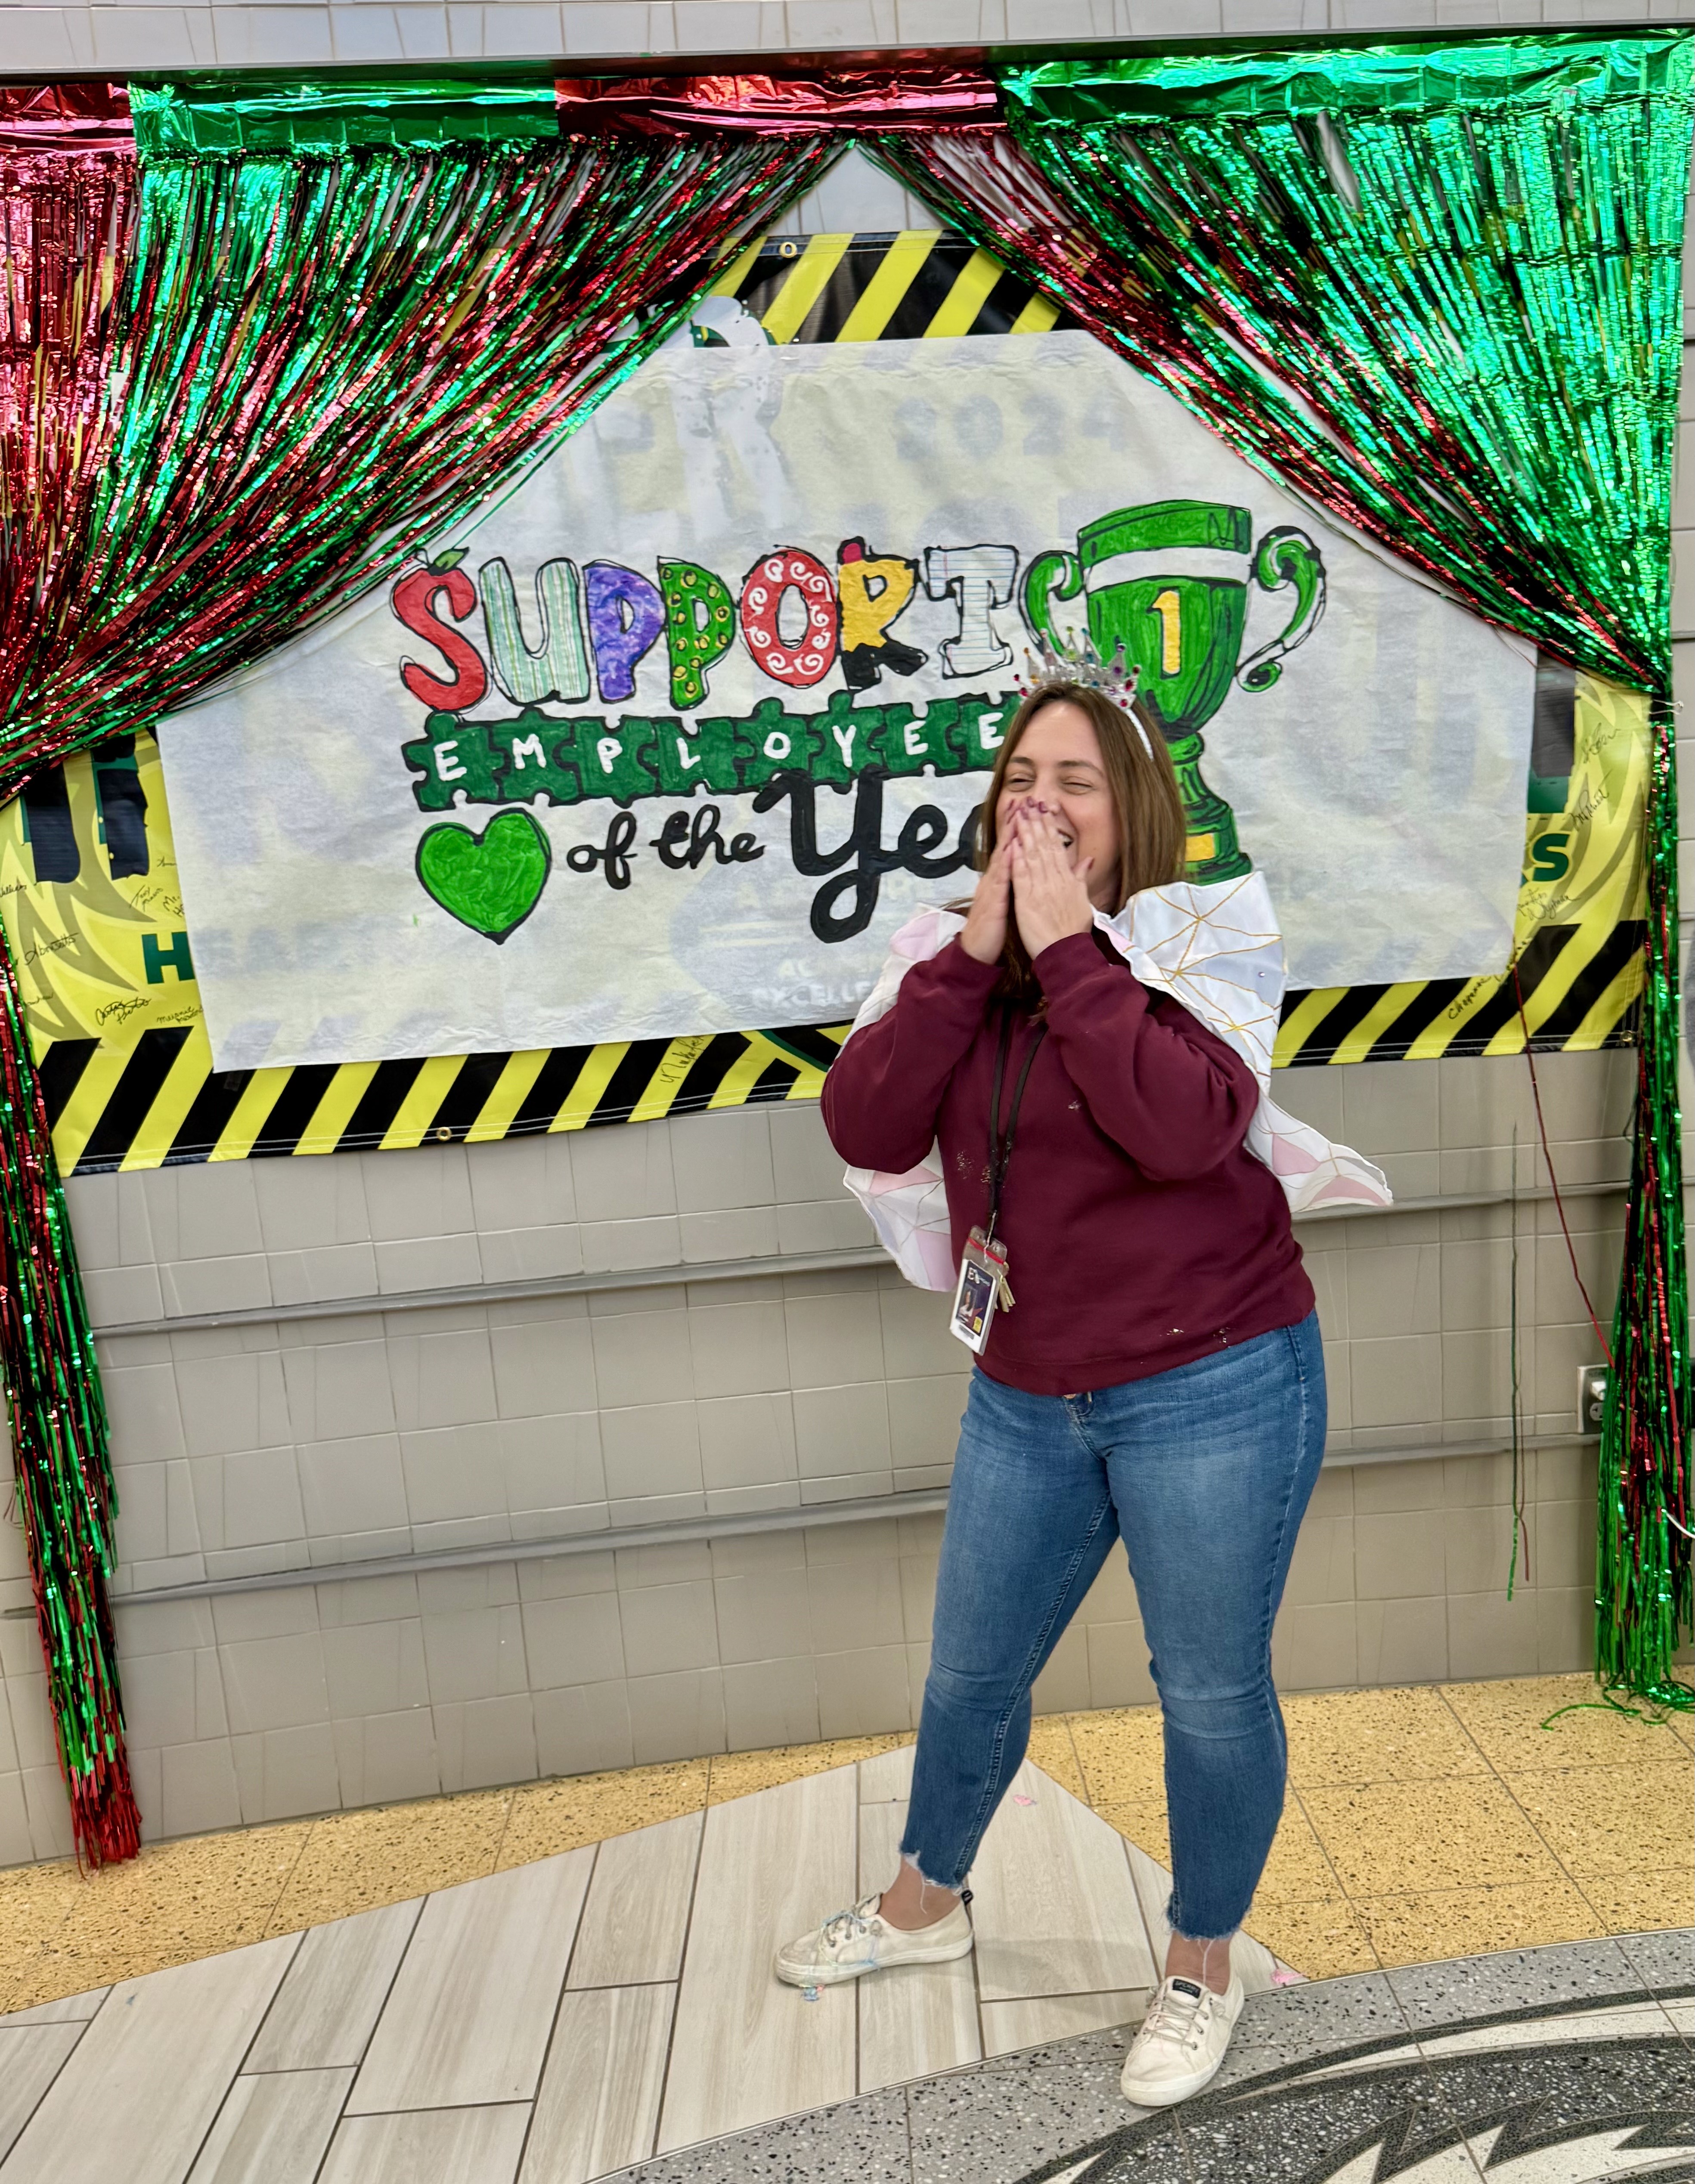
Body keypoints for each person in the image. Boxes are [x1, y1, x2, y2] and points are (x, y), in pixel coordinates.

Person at [774, 676, 1328, 2110]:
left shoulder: (1199, 943)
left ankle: (1203, 1961)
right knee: (969, 1669)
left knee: (1205, 1692)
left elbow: (1183, 1129)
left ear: (1130, 805)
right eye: (1024, 773)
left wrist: (1073, 951)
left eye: (1077, 778)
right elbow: (866, 1119)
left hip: (1213, 1380)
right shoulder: (952, 961)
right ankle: (922, 1903)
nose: (1043, 800)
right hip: (1026, 1388)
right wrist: (974, 951)